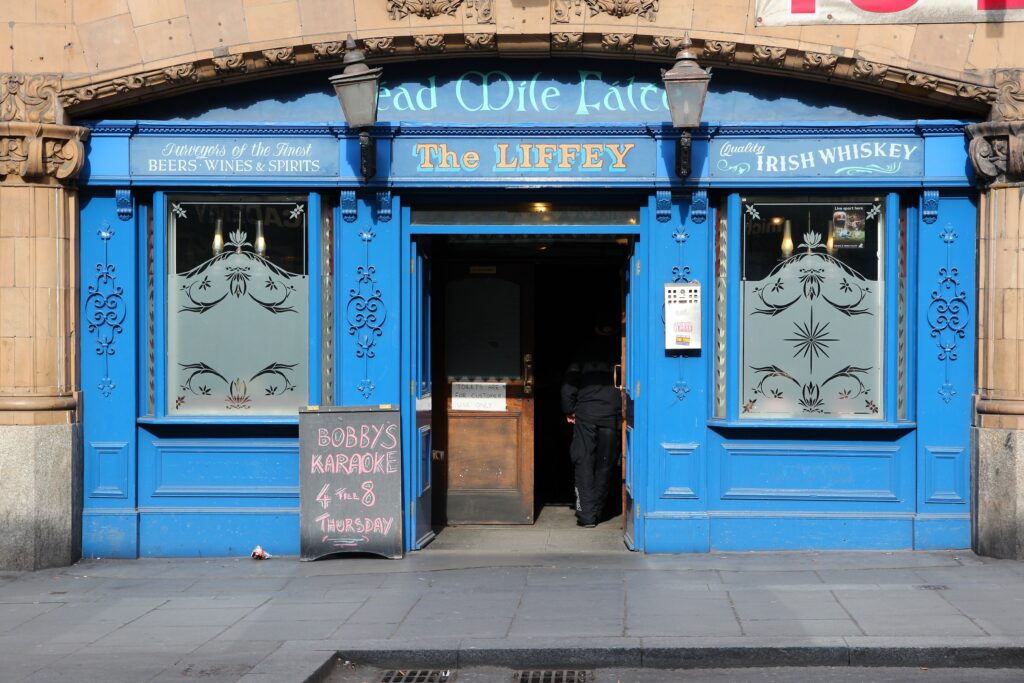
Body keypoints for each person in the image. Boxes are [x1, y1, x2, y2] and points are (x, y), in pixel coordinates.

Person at [561, 325, 621, 528]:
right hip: (612, 415)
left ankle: (587, 515)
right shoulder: (622, 348)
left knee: (583, 461)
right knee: (605, 464)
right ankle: (596, 511)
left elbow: (570, 381)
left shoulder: (584, 351)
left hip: (586, 413)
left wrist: (569, 409)